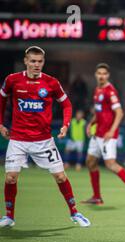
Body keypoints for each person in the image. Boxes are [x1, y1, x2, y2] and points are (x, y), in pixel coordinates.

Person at [0, 46, 90, 228]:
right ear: (26, 61)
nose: (36, 65)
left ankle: (75, 212)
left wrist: (65, 125)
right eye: (33, 61)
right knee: (10, 178)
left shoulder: (51, 83)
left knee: (60, 177)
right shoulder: (12, 80)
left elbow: (67, 105)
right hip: (18, 139)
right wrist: (1, 123)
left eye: (40, 61)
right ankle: (9, 216)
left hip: (43, 141)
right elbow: (1, 100)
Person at [83, 63, 125, 206]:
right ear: (95, 75)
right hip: (98, 133)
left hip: (107, 135)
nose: (101, 76)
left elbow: (119, 113)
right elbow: (99, 111)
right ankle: (97, 197)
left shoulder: (110, 91)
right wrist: (91, 123)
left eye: (104, 73)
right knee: (90, 162)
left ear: (108, 75)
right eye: (99, 73)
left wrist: (111, 131)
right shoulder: (97, 90)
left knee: (110, 164)